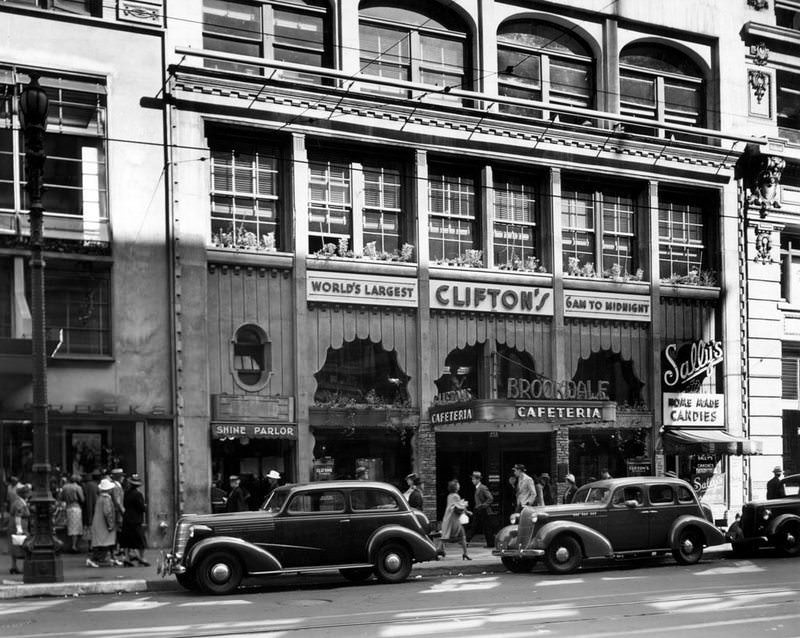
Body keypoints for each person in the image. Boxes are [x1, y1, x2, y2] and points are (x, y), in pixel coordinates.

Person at [86, 478, 118, 568]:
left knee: (100, 543)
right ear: (108, 489)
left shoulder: (100, 498)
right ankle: (95, 559)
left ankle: (96, 559)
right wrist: (111, 525)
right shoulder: (106, 499)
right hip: (103, 525)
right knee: (104, 543)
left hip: (98, 524)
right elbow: (107, 512)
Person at [119, 474, 149, 566]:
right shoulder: (138, 494)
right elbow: (141, 508)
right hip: (136, 520)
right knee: (141, 540)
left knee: (127, 540)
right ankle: (142, 557)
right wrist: (145, 506)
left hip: (127, 518)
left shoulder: (126, 493)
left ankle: (127, 558)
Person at [440, 479, 471, 560]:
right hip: (454, 520)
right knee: (461, 535)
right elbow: (458, 507)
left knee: (446, 535)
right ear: (455, 487)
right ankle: (465, 553)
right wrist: (465, 506)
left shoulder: (449, 496)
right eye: (458, 485)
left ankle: (440, 550)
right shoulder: (456, 496)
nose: (459, 486)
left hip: (448, 518)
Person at [8, 483, 30, 575]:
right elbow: (18, 516)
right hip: (19, 527)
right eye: (28, 492)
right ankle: (25, 567)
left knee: (15, 546)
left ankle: (14, 566)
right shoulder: (20, 503)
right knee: (24, 546)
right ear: (24, 494)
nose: (29, 494)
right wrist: (19, 529)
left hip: (14, 526)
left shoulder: (18, 501)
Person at [467, 471, 494, 547]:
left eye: (474, 479)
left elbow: (490, 498)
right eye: (472, 479)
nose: (472, 481)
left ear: (478, 479)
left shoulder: (483, 487)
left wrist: (483, 505)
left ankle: (490, 543)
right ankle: (467, 540)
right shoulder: (477, 488)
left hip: (483, 510)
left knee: (486, 527)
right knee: (474, 525)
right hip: (478, 509)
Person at [61, 474, 85, 553]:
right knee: (76, 527)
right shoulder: (78, 488)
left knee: (70, 526)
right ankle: (74, 546)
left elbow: (62, 497)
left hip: (68, 507)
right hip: (76, 507)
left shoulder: (65, 487)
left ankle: (70, 544)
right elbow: (82, 499)